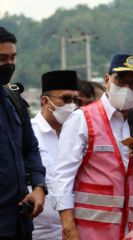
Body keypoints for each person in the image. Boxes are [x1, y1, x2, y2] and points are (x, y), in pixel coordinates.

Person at [51, 54, 133, 240]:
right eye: (121, 80)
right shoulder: (83, 119)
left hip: (131, 232)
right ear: (107, 80)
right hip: (89, 233)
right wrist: (68, 226)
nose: (127, 88)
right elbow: (62, 177)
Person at [0, 26, 46, 239]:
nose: (9, 65)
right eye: (2, 58)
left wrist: (38, 187)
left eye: (12, 58)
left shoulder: (14, 99)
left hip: (19, 223)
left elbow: (30, 148)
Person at [31, 70, 79, 240]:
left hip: (76, 230)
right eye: (66, 99)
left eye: (75, 100)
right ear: (46, 101)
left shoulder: (79, 135)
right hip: (39, 233)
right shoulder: (29, 134)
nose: (72, 106)